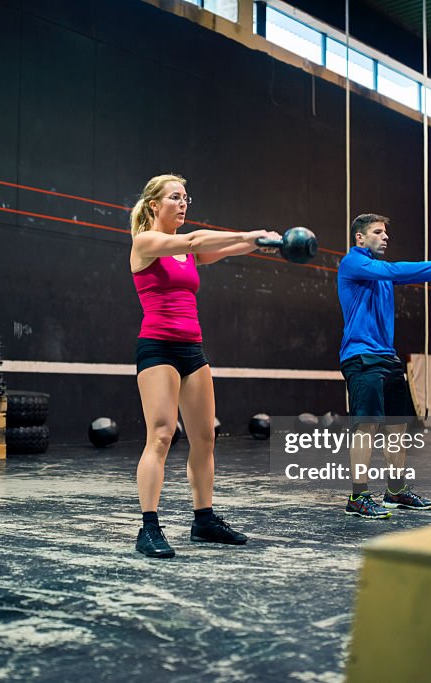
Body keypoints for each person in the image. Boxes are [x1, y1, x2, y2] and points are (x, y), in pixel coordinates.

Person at [129, 174, 279, 558]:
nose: (182, 204)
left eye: (185, 198)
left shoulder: (187, 252)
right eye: (174, 198)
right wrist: (253, 232)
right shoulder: (146, 243)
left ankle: (204, 520)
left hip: (192, 350)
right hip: (157, 348)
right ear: (153, 206)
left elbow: (224, 250)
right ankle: (148, 528)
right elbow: (195, 239)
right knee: (161, 436)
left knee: (205, 438)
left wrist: (258, 243)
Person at [337, 213, 431, 518]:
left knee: (397, 427)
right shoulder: (352, 262)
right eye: (378, 232)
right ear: (360, 238)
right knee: (366, 426)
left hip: (387, 356)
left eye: (386, 233)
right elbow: (396, 270)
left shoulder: (381, 273)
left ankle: (395, 492)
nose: (385, 237)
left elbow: (404, 274)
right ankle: (358, 497)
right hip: (361, 356)